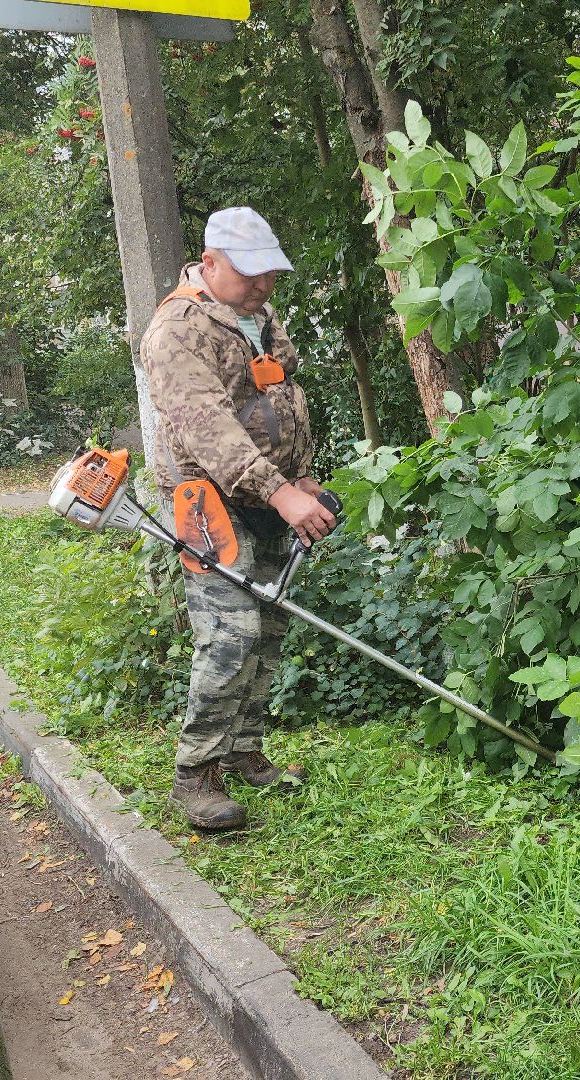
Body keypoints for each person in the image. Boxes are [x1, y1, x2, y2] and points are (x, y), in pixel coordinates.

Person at [138, 206, 337, 830]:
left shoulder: (258, 316)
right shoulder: (176, 330)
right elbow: (210, 430)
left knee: (271, 626)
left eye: (269, 273)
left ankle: (247, 750)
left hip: (273, 495)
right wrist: (283, 494)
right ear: (210, 262)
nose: (261, 285)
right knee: (230, 636)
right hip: (210, 506)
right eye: (248, 273)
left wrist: (300, 475)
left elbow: (281, 395)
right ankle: (195, 774)